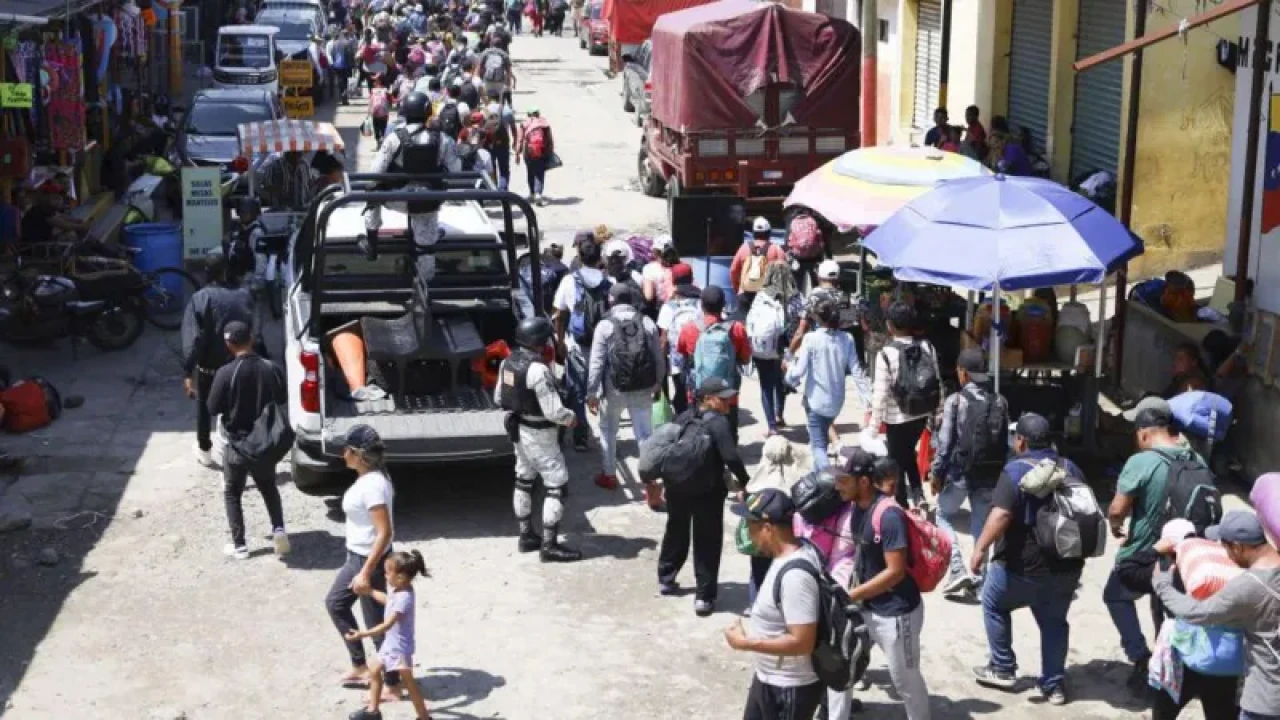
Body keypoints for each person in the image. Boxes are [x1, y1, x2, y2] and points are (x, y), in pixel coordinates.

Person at [967, 413, 1084, 706]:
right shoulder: (1071, 467)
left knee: (993, 603)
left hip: (1022, 568)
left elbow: (1002, 514)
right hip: (1067, 565)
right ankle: (1054, 684)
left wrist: (980, 549)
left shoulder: (1014, 471)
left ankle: (1002, 667)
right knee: (1055, 621)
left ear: (1021, 441)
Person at [1106, 396, 1206, 690]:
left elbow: (1116, 509)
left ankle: (1141, 658)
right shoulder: (1196, 458)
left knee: (1115, 594)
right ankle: (1179, 664)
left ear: (1144, 431)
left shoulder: (1142, 461)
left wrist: (1116, 527)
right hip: (1188, 554)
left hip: (1148, 555)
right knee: (1166, 605)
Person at [833, 449, 932, 720]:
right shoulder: (856, 507)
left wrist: (850, 594)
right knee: (841, 668)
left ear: (863, 482)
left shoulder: (889, 516)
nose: (837, 485)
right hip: (866, 606)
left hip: (896, 613)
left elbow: (896, 572)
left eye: (843, 479)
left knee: (905, 682)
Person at [1152, 510, 1280, 720]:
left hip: (1266, 699)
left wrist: (1163, 585)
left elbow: (1198, 612)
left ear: (1238, 547)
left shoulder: (1248, 586)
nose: (1226, 556)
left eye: (1226, 548)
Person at [725, 487, 825, 720]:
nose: (747, 534)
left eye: (751, 527)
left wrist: (746, 643)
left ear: (768, 529)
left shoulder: (795, 577)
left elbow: (802, 642)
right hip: (768, 678)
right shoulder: (784, 557)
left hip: (789, 688)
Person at [658, 377, 751, 616]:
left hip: (677, 486)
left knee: (676, 529)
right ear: (708, 400)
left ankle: (666, 578)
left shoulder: (682, 417)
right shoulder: (718, 423)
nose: (728, 402)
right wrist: (746, 481)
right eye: (723, 398)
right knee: (707, 540)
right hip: (708, 491)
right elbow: (731, 457)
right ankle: (704, 597)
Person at [325, 425, 404, 696]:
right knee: (336, 603)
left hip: (371, 562)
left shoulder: (373, 485)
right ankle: (360, 666)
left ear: (358, 455)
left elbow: (385, 532)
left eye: (346, 449)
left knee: (379, 627)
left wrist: (366, 573)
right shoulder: (369, 478)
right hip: (356, 557)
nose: (342, 453)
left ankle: (393, 685)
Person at [496, 316, 582, 562]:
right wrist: (571, 418)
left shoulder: (506, 363)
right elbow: (554, 411)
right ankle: (549, 545)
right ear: (539, 342)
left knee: (523, 479)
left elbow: (499, 397)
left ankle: (526, 536)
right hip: (541, 433)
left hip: (518, 429)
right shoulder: (538, 369)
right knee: (557, 483)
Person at [205, 321, 289, 561]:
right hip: (265, 442)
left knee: (232, 492)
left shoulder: (225, 373)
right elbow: (282, 396)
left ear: (228, 344)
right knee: (269, 487)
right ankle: (279, 529)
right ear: (251, 340)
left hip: (237, 444)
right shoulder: (271, 368)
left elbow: (212, 408)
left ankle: (240, 545)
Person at [930, 347, 1009, 597]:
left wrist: (936, 474)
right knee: (980, 524)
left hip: (960, 475)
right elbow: (1005, 443)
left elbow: (945, 444)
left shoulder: (956, 401)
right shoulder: (1000, 401)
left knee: (942, 514)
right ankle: (980, 578)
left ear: (963, 373)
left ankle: (956, 568)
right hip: (990, 475)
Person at [366, 91, 461, 285]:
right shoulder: (442, 139)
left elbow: (375, 171)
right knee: (426, 248)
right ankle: (425, 283)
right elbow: (456, 170)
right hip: (428, 201)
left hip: (397, 200)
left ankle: (372, 240)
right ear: (427, 112)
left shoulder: (394, 138)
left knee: (372, 195)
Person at [180, 252, 255, 468]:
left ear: (206, 272)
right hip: (237, 366)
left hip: (209, 370)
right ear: (226, 271)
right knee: (237, 409)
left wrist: (187, 372)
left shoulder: (200, 299)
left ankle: (205, 450)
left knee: (204, 409)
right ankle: (238, 451)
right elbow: (254, 331)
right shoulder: (244, 295)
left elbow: (193, 340)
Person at [587, 283, 665, 491]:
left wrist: (591, 393)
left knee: (608, 431)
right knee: (645, 434)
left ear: (611, 301)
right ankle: (651, 482)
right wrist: (658, 382)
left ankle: (609, 475)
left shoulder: (604, 326)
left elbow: (596, 363)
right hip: (643, 387)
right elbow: (659, 357)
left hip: (614, 389)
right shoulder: (647, 322)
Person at [870, 301, 941, 509]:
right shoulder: (927, 347)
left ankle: (902, 505)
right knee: (908, 451)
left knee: (896, 463)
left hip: (897, 417)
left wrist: (873, 427)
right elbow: (937, 381)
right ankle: (918, 495)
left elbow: (880, 394)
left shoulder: (886, 353)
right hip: (921, 414)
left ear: (890, 325)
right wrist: (938, 411)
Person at [346, 551, 434, 720]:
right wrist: (370, 591)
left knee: (410, 684)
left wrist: (362, 634)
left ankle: (424, 717)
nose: (385, 575)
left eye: (387, 572)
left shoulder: (405, 598)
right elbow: (388, 600)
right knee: (374, 669)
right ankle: (373, 712)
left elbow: (387, 624)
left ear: (400, 577)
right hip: (391, 644)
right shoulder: (400, 590)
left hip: (399, 649)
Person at [784, 297, 872, 467]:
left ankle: (827, 480)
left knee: (817, 447)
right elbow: (856, 371)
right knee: (822, 441)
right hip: (837, 402)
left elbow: (798, 372)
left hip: (816, 402)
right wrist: (867, 400)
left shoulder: (811, 339)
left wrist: (788, 370)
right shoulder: (847, 338)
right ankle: (819, 478)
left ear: (818, 317)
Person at [554, 238, 610, 452]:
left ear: (579, 257)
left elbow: (559, 314)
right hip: (603, 345)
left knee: (576, 390)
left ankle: (580, 437)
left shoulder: (570, 281)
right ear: (599, 258)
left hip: (577, 345)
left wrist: (560, 342)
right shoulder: (608, 281)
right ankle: (607, 434)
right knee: (604, 389)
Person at [675, 285, 752, 441]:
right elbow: (745, 359)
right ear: (723, 305)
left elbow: (682, 355)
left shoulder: (689, 328)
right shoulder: (736, 329)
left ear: (701, 305)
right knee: (729, 435)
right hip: (727, 395)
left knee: (697, 434)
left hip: (698, 393)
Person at [656, 262, 701, 416]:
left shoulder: (668, 307)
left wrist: (661, 363)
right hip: (699, 357)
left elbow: (663, 338)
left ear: (674, 280)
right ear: (691, 278)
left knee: (680, 390)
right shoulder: (701, 303)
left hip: (677, 360)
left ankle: (684, 421)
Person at [730, 217, 786, 317]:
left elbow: (733, 270)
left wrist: (738, 288)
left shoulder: (743, 248)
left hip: (745, 294)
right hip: (767, 296)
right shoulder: (776, 249)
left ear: (753, 233)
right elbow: (784, 275)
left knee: (743, 325)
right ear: (769, 233)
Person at [21, 183, 89, 246]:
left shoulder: (45, 209)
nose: (59, 201)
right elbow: (66, 225)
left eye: (60, 198)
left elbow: (62, 216)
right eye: (55, 198)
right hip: (34, 247)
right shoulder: (42, 210)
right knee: (70, 234)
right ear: (44, 198)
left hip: (39, 243)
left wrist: (78, 220)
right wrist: (84, 226)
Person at [515, 107, 554, 206]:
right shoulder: (544, 124)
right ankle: (538, 193)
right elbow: (550, 139)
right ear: (538, 113)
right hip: (542, 151)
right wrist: (550, 151)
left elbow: (519, 139)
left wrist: (517, 154)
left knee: (530, 171)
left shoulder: (524, 124)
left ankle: (532, 193)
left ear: (528, 114)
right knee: (540, 173)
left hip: (528, 152)